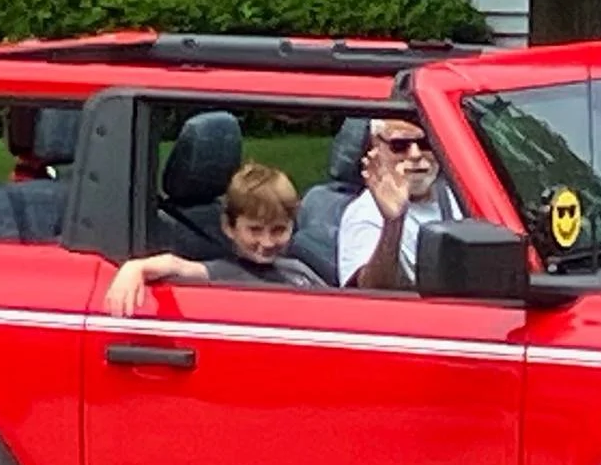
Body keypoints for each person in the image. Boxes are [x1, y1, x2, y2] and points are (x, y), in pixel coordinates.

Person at [105, 161, 325, 316]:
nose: (267, 242)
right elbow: (175, 265)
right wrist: (135, 268)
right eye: (255, 230)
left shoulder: (297, 269)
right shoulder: (225, 273)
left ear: (292, 225)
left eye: (278, 230)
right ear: (229, 227)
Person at [338, 116, 457, 290]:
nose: (415, 154)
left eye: (426, 143)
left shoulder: (462, 196)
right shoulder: (365, 212)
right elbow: (370, 291)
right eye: (399, 145)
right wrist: (393, 223)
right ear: (375, 149)